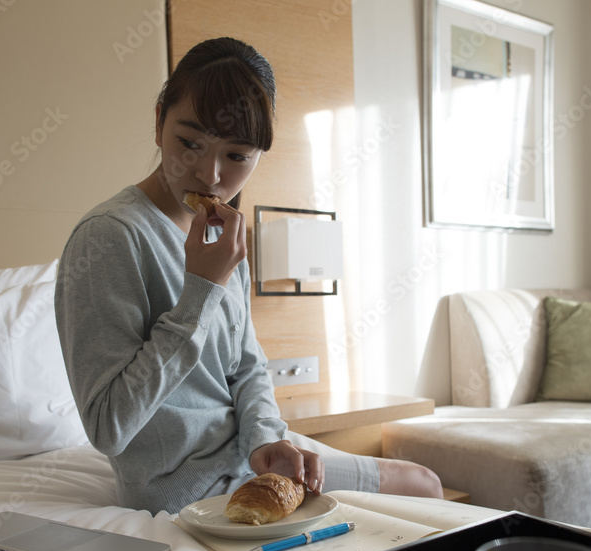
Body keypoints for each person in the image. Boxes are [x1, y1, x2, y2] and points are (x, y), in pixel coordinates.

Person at [54, 37, 443, 514]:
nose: (210, 174)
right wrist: (202, 288)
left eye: (237, 155)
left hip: (249, 458)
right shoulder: (109, 238)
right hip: (187, 484)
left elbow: (247, 366)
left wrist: (263, 439)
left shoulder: (221, 232)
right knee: (412, 501)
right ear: (159, 122)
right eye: (190, 143)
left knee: (423, 483)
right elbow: (108, 428)